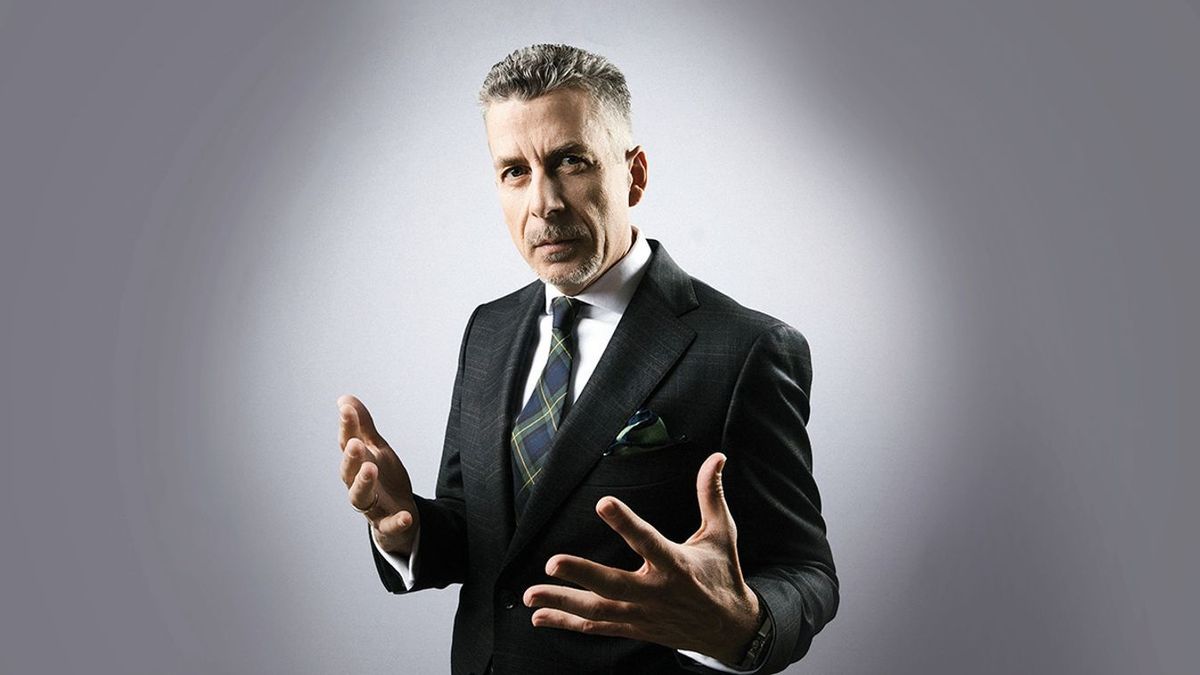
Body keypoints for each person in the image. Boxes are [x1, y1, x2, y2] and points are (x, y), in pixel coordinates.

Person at [336, 43, 837, 675]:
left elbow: (805, 572)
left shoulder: (746, 349)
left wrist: (738, 626)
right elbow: (486, 538)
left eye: (570, 161)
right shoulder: (488, 330)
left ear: (634, 175)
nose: (543, 202)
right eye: (514, 171)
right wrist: (406, 527)